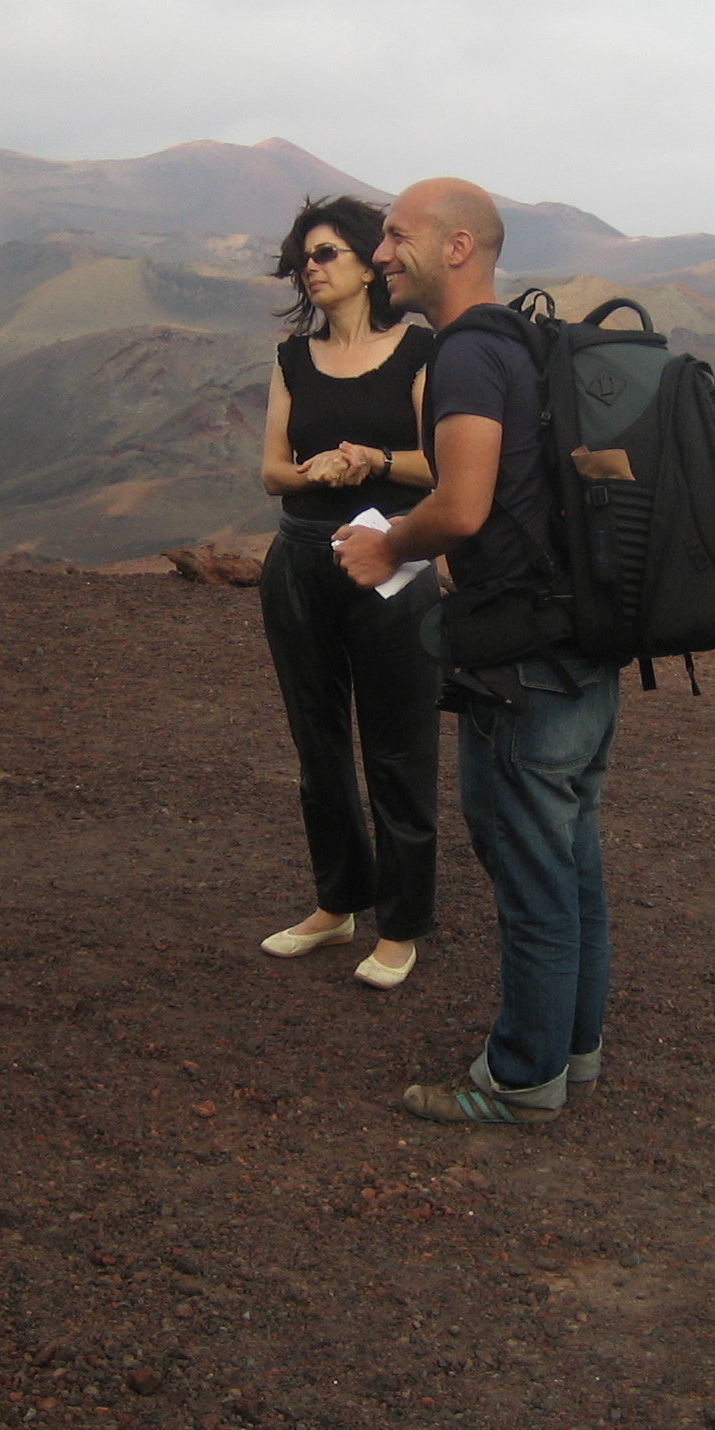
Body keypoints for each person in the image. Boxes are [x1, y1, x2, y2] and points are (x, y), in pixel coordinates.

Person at [335, 179, 620, 1122]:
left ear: (460, 248)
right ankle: (573, 1052)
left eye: (396, 236)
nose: (381, 254)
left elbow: (460, 506)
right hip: (583, 643)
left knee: (531, 867)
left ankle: (523, 1078)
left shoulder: (465, 355)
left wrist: (387, 545)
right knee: (571, 860)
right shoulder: (530, 343)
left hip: (522, 662)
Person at [256, 195, 441, 988]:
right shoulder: (292, 357)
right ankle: (338, 903)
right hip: (300, 559)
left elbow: (443, 467)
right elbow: (270, 471)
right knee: (317, 743)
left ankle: (401, 924)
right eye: (306, 255)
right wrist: (314, 470)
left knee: (399, 744)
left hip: (393, 562)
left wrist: (371, 459)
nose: (312, 266)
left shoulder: (419, 350)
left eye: (327, 252)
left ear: (370, 262)